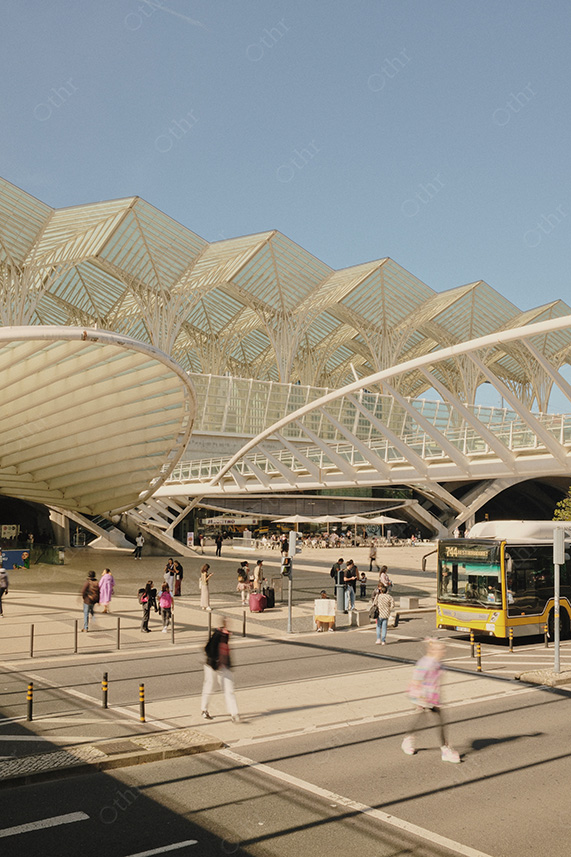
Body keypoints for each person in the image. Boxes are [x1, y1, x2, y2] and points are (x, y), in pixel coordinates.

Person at [401, 638, 460, 763]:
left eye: (443, 649)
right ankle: (444, 749)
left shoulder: (438, 663)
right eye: (440, 650)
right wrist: (419, 699)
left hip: (432, 697)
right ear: (432, 650)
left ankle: (409, 739)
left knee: (425, 720)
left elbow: (437, 681)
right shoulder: (425, 663)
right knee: (436, 721)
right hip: (422, 696)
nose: (443, 652)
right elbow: (416, 680)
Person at [201, 617, 239, 722]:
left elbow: (226, 651)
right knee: (209, 687)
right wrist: (216, 659)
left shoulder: (226, 635)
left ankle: (234, 714)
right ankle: (204, 709)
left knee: (229, 690)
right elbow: (208, 649)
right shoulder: (217, 634)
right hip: (212, 666)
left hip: (224, 666)